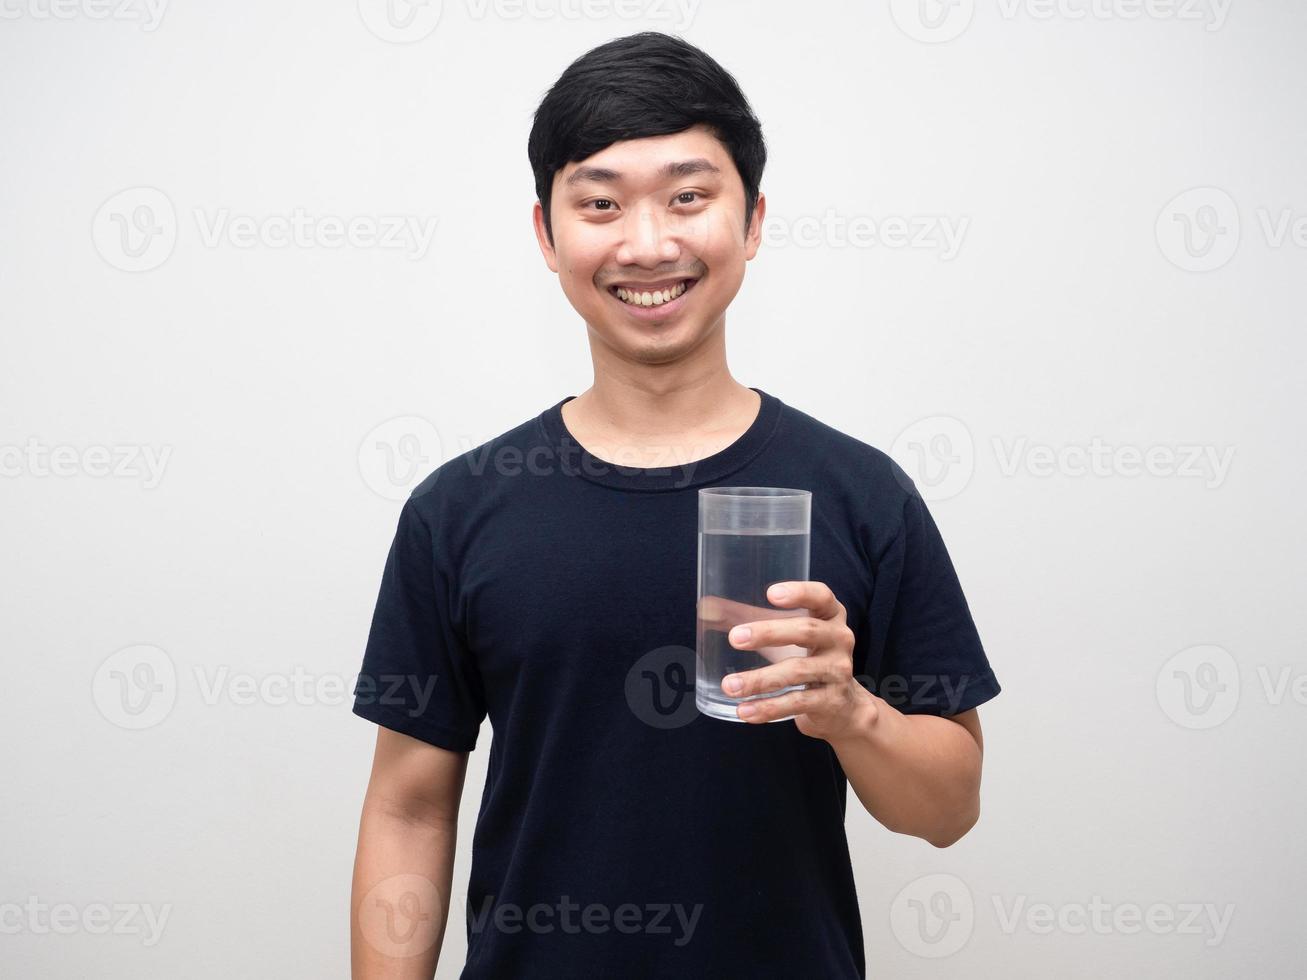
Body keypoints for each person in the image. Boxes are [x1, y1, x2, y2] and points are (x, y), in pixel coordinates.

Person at [350, 31, 1000, 979]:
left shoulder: (861, 495)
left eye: (688, 197)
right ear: (546, 233)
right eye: (601, 204)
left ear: (753, 221)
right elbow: (407, 806)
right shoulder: (460, 509)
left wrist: (850, 711)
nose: (647, 244)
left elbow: (948, 812)